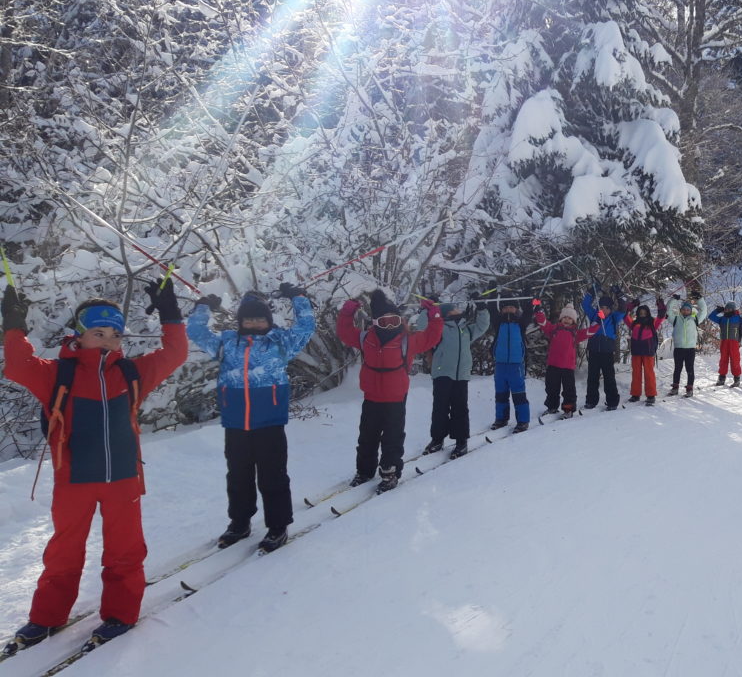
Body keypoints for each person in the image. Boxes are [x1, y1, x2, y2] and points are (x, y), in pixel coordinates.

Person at [2, 278, 188, 651]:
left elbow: (175, 353)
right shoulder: (58, 374)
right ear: (79, 334)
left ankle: (120, 613)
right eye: (98, 332)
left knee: (126, 549)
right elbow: (18, 365)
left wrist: (170, 313)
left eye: (114, 335)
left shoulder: (130, 373)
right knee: (64, 551)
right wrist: (13, 325)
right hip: (74, 478)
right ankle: (47, 617)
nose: (107, 340)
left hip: (122, 477)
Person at [190, 284, 315, 551]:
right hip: (236, 423)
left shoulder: (280, 342)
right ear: (241, 321)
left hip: (269, 423)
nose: (255, 322)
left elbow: (305, 327)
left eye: (260, 318)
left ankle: (277, 526)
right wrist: (203, 307)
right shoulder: (226, 343)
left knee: (273, 476)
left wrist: (299, 299)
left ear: (268, 320)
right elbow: (196, 332)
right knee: (237, 477)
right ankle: (239, 523)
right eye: (249, 318)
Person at [337, 289, 443, 493]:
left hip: (395, 399)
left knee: (392, 438)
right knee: (367, 437)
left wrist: (435, 314)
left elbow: (432, 336)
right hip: (371, 398)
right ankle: (364, 471)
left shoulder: (407, 340)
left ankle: (390, 472)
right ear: (375, 323)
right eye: (384, 322)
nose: (390, 326)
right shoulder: (365, 339)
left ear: (400, 320)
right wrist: (347, 313)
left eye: (394, 321)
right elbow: (344, 332)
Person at [426, 298, 490, 458]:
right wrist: (427, 310)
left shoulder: (466, 329)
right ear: (447, 313)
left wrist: (481, 307)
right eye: (453, 309)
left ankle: (461, 441)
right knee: (440, 408)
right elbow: (423, 328)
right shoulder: (439, 327)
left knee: (460, 408)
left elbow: (483, 325)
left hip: (461, 375)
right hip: (442, 373)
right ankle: (437, 439)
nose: (457, 310)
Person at [535, 301, 600, 416]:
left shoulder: (575, 333)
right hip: (553, 365)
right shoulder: (553, 329)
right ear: (560, 319)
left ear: (573, 321)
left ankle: (568, 409)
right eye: (564, 317)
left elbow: (589, 332)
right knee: (551, 388)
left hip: (567, 367)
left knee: (569, 390)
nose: (566, 320)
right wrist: (538, 310)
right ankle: (552, 407)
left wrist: (599, 322)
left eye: (569, 318)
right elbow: (543, 323)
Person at [488, 296, 532, 432]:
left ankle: (523, 421)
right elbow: (491, 308)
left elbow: (529, 311)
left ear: (516, 309)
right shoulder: (498, 322)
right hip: (500, 365)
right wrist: (492, 291)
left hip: (516, 365)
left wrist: (527, 293)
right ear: (501, 310)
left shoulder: (521, 323)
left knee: (519, 394)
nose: (508, 310)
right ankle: (501, 419)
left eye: (511, 307)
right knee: (501, 394)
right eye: (505, 307)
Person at [582, 283, 624, 411]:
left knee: (609, 377)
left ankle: (612, 401)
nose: (604, 309)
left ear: (611, 309)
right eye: (602, 307)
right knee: (592, 377)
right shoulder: (594, 314)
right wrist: (591, 292)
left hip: (607, 352)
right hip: (594, 350)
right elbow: (585, 305)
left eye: (606, 307)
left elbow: (623, 308)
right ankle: (591, 400)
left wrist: (618, 294)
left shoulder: (613, 317)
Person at [625, 298, 667, 404]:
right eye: (641, 313)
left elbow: (661, 316)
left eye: (644, 313)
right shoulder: (633, 324)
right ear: (638, 313)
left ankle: (651, 394)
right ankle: (635, 394)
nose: (643, 314)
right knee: (636, 374)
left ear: (647, 313)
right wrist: (632, 305)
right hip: (636, 352)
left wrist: (660, 305)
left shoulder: (653, 323)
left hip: (648, 352)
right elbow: (624, 315)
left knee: (649, 373)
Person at [666, 294, 704, 396]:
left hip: (690, 349)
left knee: (689, 369)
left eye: (688, 310)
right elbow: (668, 310)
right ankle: (675, 388)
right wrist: (674, 300)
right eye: (684, 309)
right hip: (678, 349)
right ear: (681, 310)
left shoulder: (695, 319)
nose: (686, 311)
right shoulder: (676, 319)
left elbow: (703, 311)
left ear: (691, 311)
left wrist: (700, 300)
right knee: (677, 369)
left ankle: (689, 389)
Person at [708, 301, 742, 386]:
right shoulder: (722, 319)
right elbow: (711, 316)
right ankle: (721, 378)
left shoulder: (738, 318)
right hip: (724, 342)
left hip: (734, 342)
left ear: (733, 309)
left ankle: (737, 379)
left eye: (729, 309)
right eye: (726, 309)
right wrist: (717, 310)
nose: (727, 310)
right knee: (723, 360)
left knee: (735, 360)